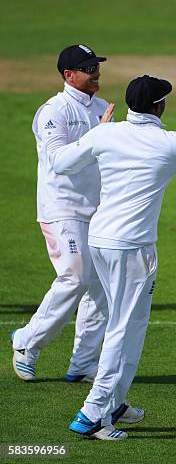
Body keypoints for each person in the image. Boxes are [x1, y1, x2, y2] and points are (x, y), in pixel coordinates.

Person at [52, 71, 176, 440]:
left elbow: (61, 163)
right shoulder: (169, 142)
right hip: (133, 249)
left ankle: (114, 403)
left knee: (127, 326)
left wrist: (96, 134)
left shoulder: (106, 132)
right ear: (160, 105)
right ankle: (91, 414)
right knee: (124, 330)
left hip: (100, 241)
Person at [11, 44, 115, 383]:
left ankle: (83, 363)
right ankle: (27, 342)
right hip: (62, 208)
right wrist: (100, 134)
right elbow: (58, 161)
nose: (95, 72)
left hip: (98, 209)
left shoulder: (102, 107)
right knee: (76, 275)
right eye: (87, 68)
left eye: (96, 66)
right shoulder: (52, 112)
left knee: (101, 287)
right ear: (68, 75)